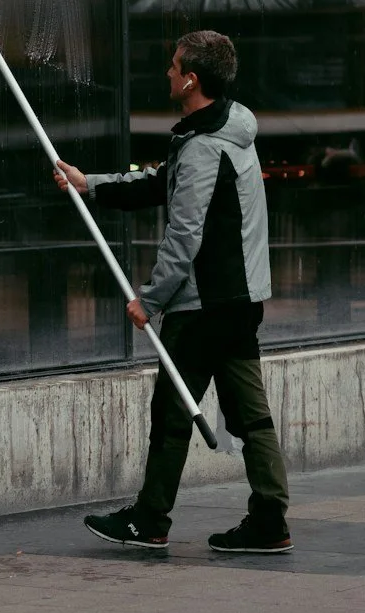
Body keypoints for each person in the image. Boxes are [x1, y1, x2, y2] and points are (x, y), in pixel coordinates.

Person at [54, 30, 291, 554]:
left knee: (170, 414)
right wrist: (86, 182)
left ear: (191, 79)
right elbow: (158, 185)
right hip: (239, 301)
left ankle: (149, 519)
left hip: (203, 305)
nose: (166, 72)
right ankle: (271, 520)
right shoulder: (223, 131)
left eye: (173, 65)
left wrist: (151, 299)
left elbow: (185, 233)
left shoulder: (205, 146)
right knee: (251, 415)